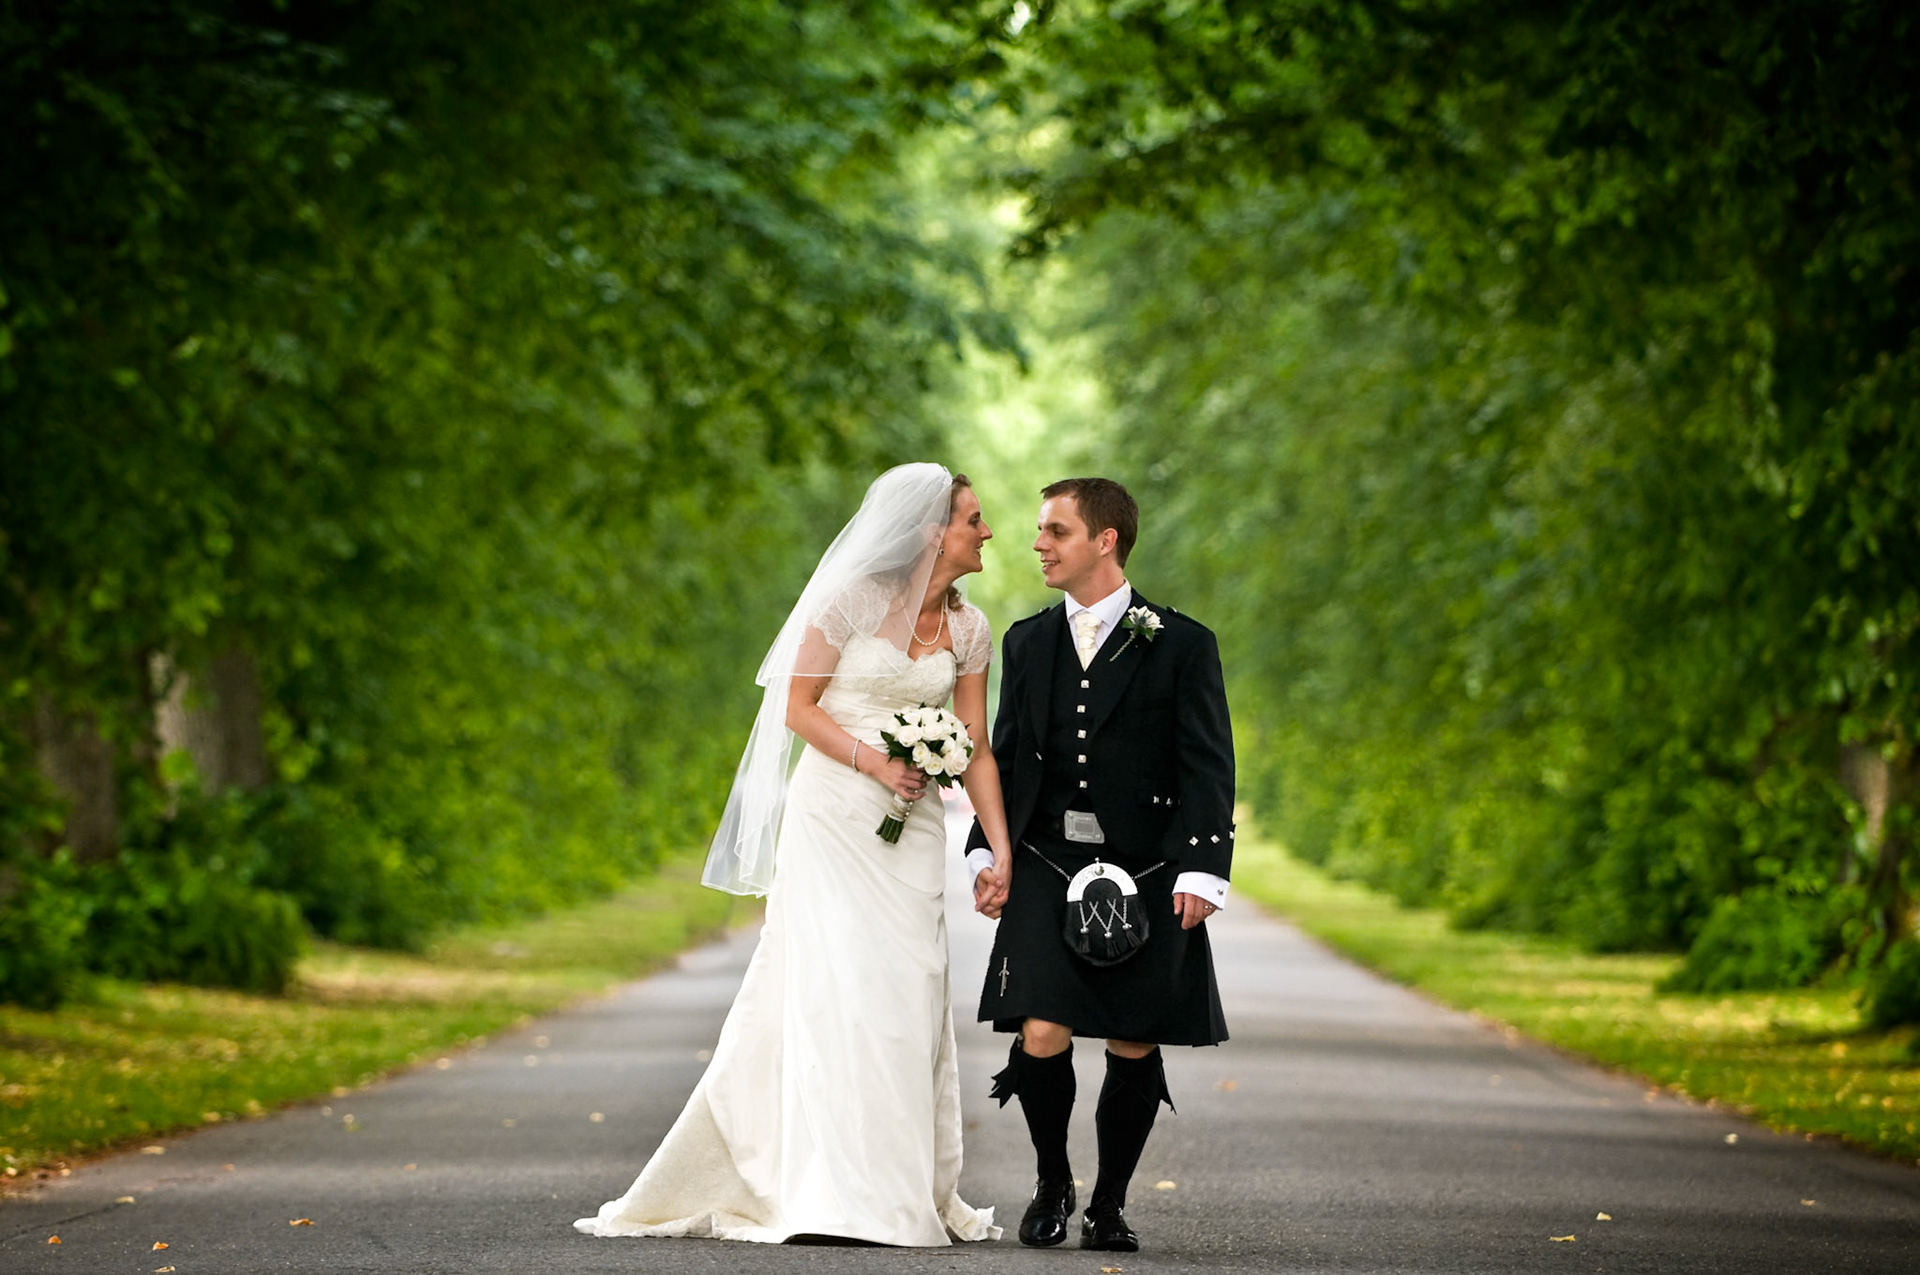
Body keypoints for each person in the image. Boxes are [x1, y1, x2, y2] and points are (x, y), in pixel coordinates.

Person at [576, 463, 1013, 1246]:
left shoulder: (970, 628)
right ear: (930, 531)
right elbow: (795, 705)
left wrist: (997, 847)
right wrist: (874, 760)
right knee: (831, 988)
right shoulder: (849, 602)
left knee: (907, 993)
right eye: (973, 518)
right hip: (834, 814)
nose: (986, 532)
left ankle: (896, 1186)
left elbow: (975, 745)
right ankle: (826, 1189)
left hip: (911, 831)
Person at [965, 477, 1233, 1254]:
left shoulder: (1182, 642)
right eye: (1041, 530)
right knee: (1043, 1026)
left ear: (1105, 540)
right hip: (1049, 860)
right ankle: (1054, 1179)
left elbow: (1208, 765)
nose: (1039, 543)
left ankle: (1109, 1203)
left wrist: (1202, 868)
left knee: (1132, 1036)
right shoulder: (1028, 640)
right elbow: (1011, 756)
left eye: (1056, 530)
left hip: (1147, 868)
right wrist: (991, 847)